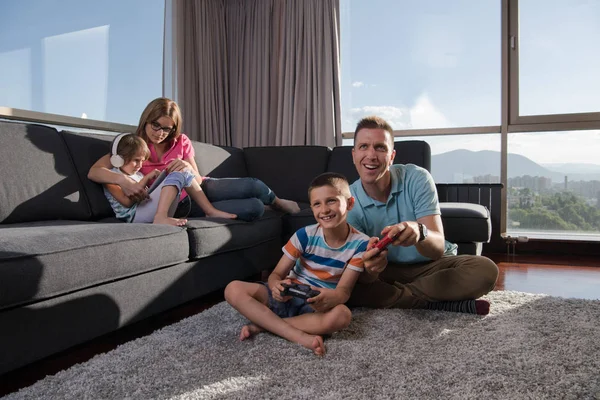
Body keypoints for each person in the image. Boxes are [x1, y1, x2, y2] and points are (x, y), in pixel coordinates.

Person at [346, 116, 499, 315]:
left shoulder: (417, 178)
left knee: (485, 270)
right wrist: (371, 267)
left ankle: (400, 298)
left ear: (392, 156)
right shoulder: (348, 201)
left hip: (432, 266)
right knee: (343, 283)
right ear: (353, 154)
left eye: (380, 148)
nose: (371, 155)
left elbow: (436, 249)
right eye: (364, 146)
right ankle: (436, 302)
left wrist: (420, 232)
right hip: (387, 272)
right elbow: (360, 270)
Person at [88, 97, 301, 224]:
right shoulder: (134, 146)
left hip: (199, 188)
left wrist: (187, 166)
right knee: (253, 208)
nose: (160, 133)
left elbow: (197, 178)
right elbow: (95, 171)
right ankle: (262, 207)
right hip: (178, 204)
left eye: (167, 128)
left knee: (253, 184)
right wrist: (126, 182)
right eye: (156, 126)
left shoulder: (180, 141)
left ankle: (277, 202)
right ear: (146, 121)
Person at [224, 172, 370, 356]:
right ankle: (296, 335)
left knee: (343, 315)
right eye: (317, 204)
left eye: (331, 201)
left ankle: (263, 326)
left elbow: (344, 292)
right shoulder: (304, 235)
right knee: (233, 289)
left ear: (350, 203)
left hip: (315, 306)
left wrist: (331, 299)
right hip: (288, 294)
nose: (324, 210)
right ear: (311, 208)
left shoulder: (361, 244)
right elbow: (275, 275)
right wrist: (276, 286)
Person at [102, 133, 236, 226]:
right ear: (118, 159)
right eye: (136, 161)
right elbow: (126, 202)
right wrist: (146, 179)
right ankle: (161, 217)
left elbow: (146, 195)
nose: (140, 165)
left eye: (142, 161)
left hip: (145, 208)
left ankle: (209, 211)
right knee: (178, 173)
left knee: (183, 171)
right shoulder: (112, 178)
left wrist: (156, 180)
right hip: (135, 216)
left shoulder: (137, 175)